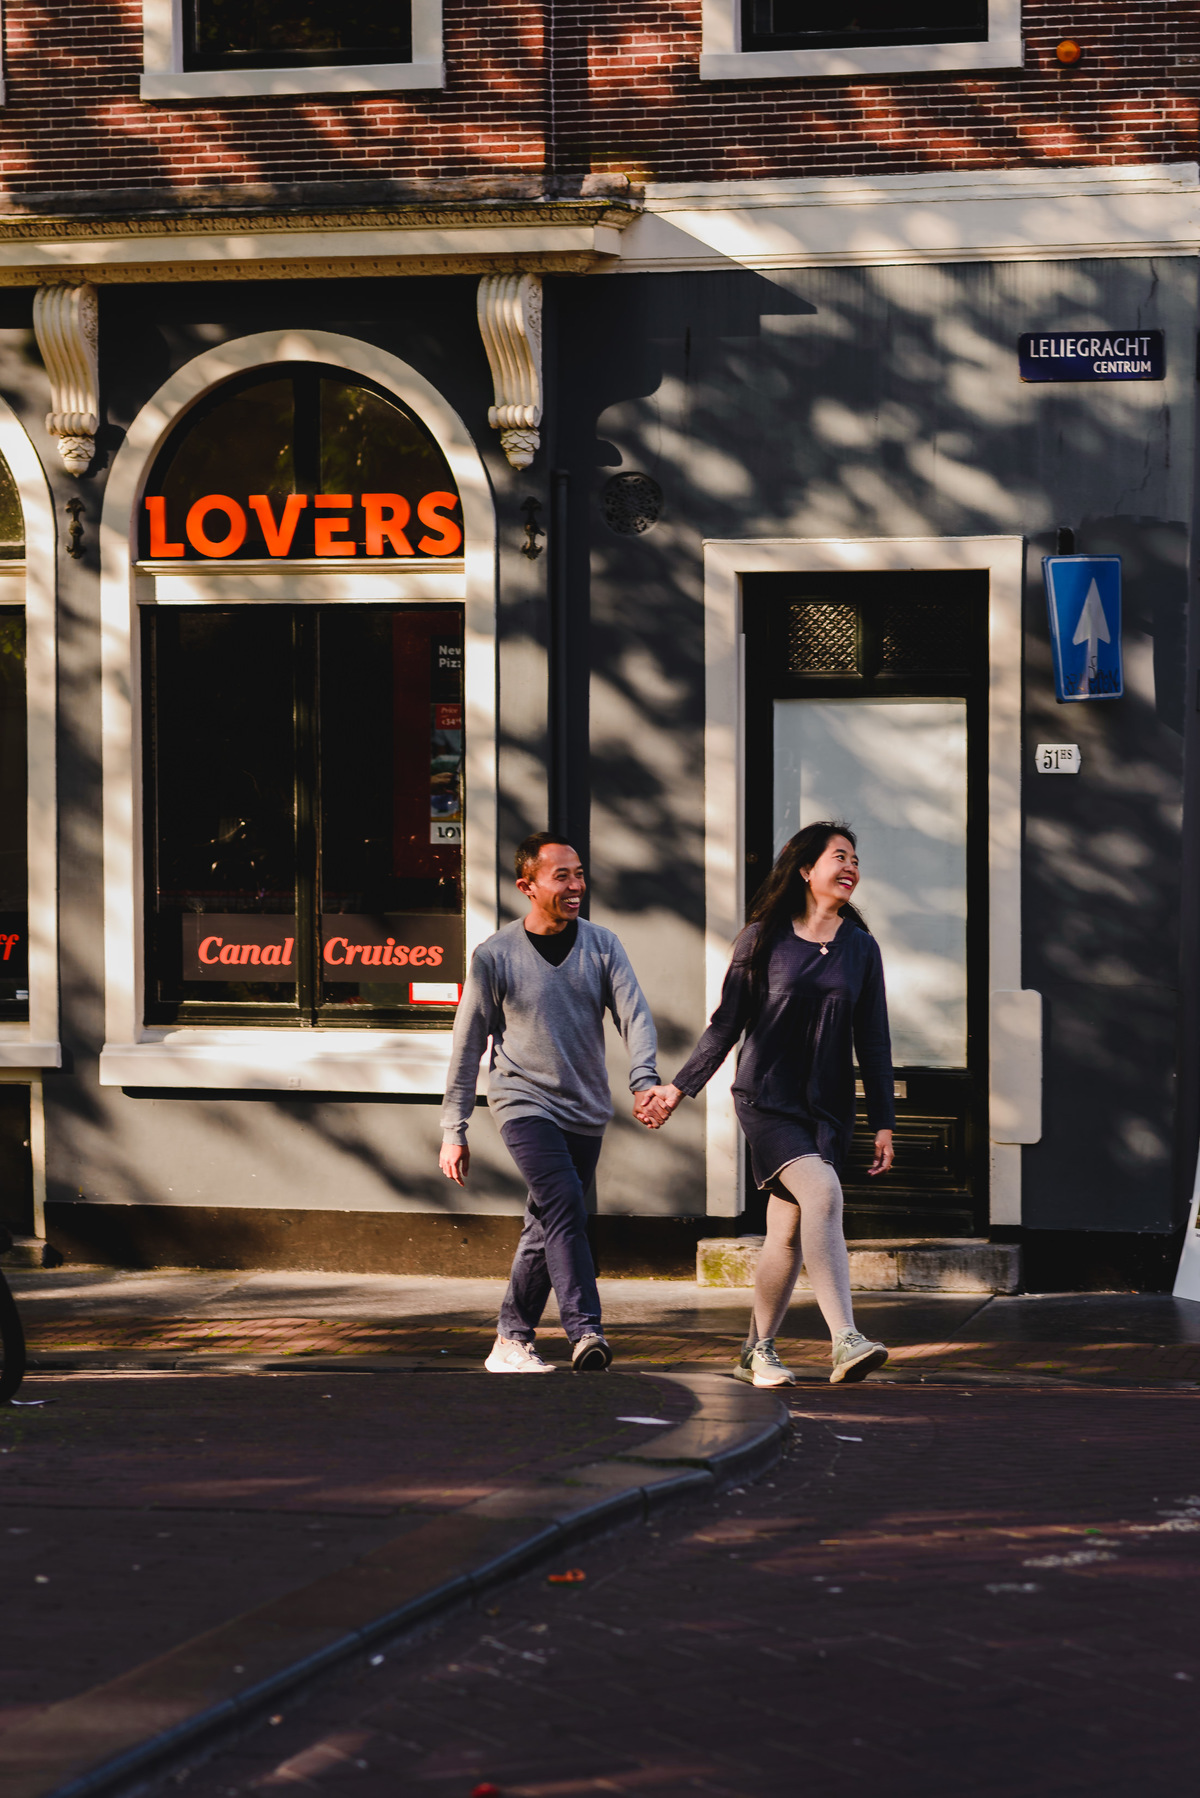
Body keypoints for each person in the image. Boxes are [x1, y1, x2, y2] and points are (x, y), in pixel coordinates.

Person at [638, 821, 894, 1387]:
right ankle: (845, 1337)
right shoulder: (762, 939)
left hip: (828, 1108)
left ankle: (757, 1350)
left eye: (855, 859)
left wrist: (883, 1122)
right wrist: (679, 1088)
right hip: (768, 1100)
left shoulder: (860, 949)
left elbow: (873, 1040)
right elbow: (726, 1025)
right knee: (824, 1192)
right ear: (806, 870)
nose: (850, 868)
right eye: (839, 857)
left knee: (786, 1231)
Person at [440, 832, 662, 1373]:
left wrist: (643, 1078)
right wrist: (455, 1126)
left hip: (584, 1107)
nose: (575, 885)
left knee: (545, 1224)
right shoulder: (495, 956)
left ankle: (510, 1340)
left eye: (579, 874)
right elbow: (469, 1043)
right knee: (565, 1206)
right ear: (527, 885)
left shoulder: (603, 944)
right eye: (561, 876)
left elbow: (634, 1016)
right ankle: (585, 1330)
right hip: (522, 1100)